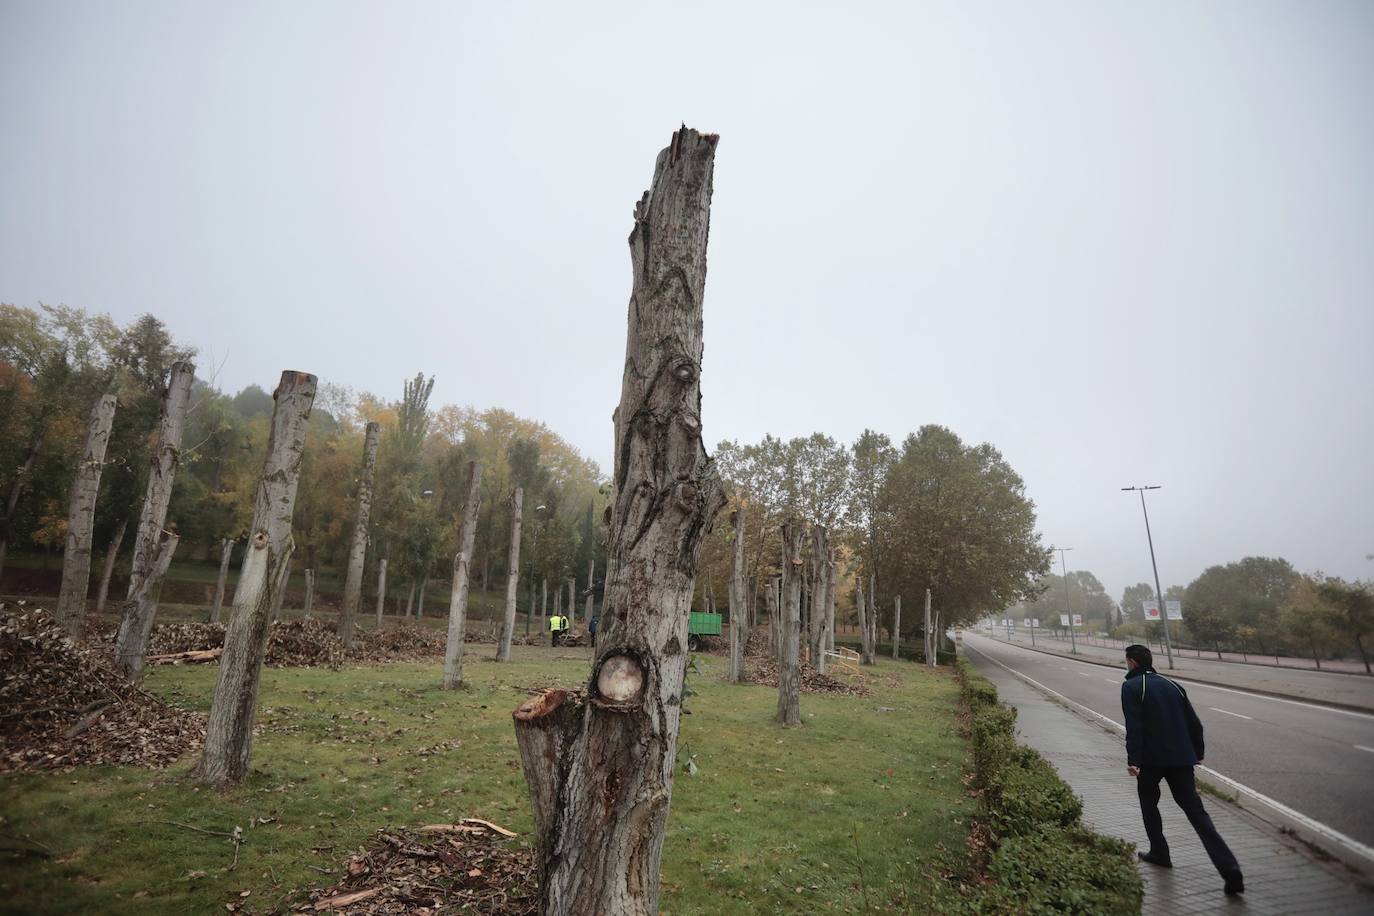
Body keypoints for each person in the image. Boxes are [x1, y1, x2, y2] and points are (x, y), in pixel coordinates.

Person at [1121, 644, 1243, 896]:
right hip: (1181, 761)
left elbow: (1135, 727)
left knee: (1149, 803)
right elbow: (1194, 724)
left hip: (1151, 761)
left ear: (1132, 662)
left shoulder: (1132, 686)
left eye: (1126, 662)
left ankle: (1160, 852)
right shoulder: (1173, 684)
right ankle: (1229, 867)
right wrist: (1197, 753)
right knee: (1197, 814)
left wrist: (1134, 760)